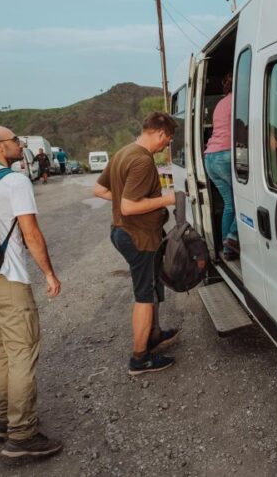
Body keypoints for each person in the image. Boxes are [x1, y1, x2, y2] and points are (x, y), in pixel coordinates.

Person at [0, 125, 63, 458]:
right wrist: (48, 273)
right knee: (21, 354)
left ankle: (4, 420)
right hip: (7, 279)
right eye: (15, 140)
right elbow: (30, 233)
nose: (20, 144)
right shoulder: (14, 180)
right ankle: (22, 435)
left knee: (1, 351)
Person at [93, 112, 180, 375]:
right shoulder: (142, 161)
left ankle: (153, 335)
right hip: (138, 236)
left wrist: (122, 201)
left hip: (121, 231)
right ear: (160, 133)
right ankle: (140, 359)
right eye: (168, 140)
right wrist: (169, 199)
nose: (166, 146)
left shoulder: (123, 152)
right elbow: (130, 206)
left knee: (152, 287)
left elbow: (98, 190)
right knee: (144, 295)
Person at [204, 74, 239, 260]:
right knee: (244, 198)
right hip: (226, 154)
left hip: (210, 157)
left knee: (229, 204)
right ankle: (233, 237)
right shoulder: (239, 99)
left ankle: (227, 249)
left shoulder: (220, 103)